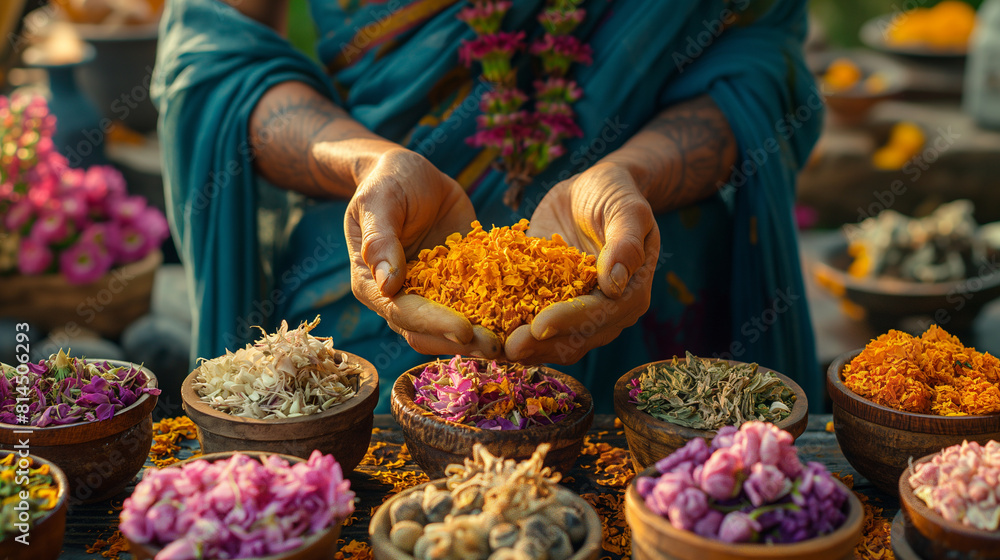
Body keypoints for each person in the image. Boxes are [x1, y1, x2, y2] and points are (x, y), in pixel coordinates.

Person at [152, 0, 823, 413]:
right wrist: (366, 163)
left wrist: (629, 173)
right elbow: (217, 60)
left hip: (652, 291)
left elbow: (761, 64)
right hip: (371, 283)